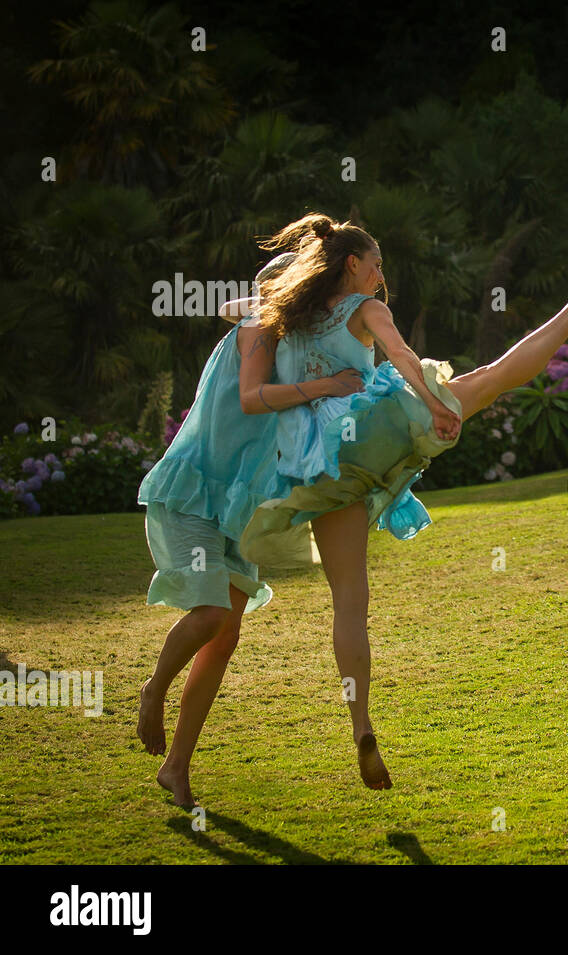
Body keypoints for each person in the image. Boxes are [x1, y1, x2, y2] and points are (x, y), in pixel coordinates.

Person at [240, 213, 568, 788]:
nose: (382, 275)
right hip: (369, 433)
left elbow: (241, 322)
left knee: (348, 601)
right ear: (353, 265)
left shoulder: (289, 316)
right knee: (490, 378)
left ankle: (361, 723)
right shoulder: (366, 309)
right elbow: (403, 356)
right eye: (377, 263)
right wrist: (433, 404)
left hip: (314, 467)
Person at [135, 248, 367, 807]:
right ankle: (153, 690)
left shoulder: (288, 339)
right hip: (197, 491)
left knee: (226, 634)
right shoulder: (257, 328)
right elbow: (251, 396)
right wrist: (327, 386)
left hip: (239, 504)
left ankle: (177, 767)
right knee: (213, 614)